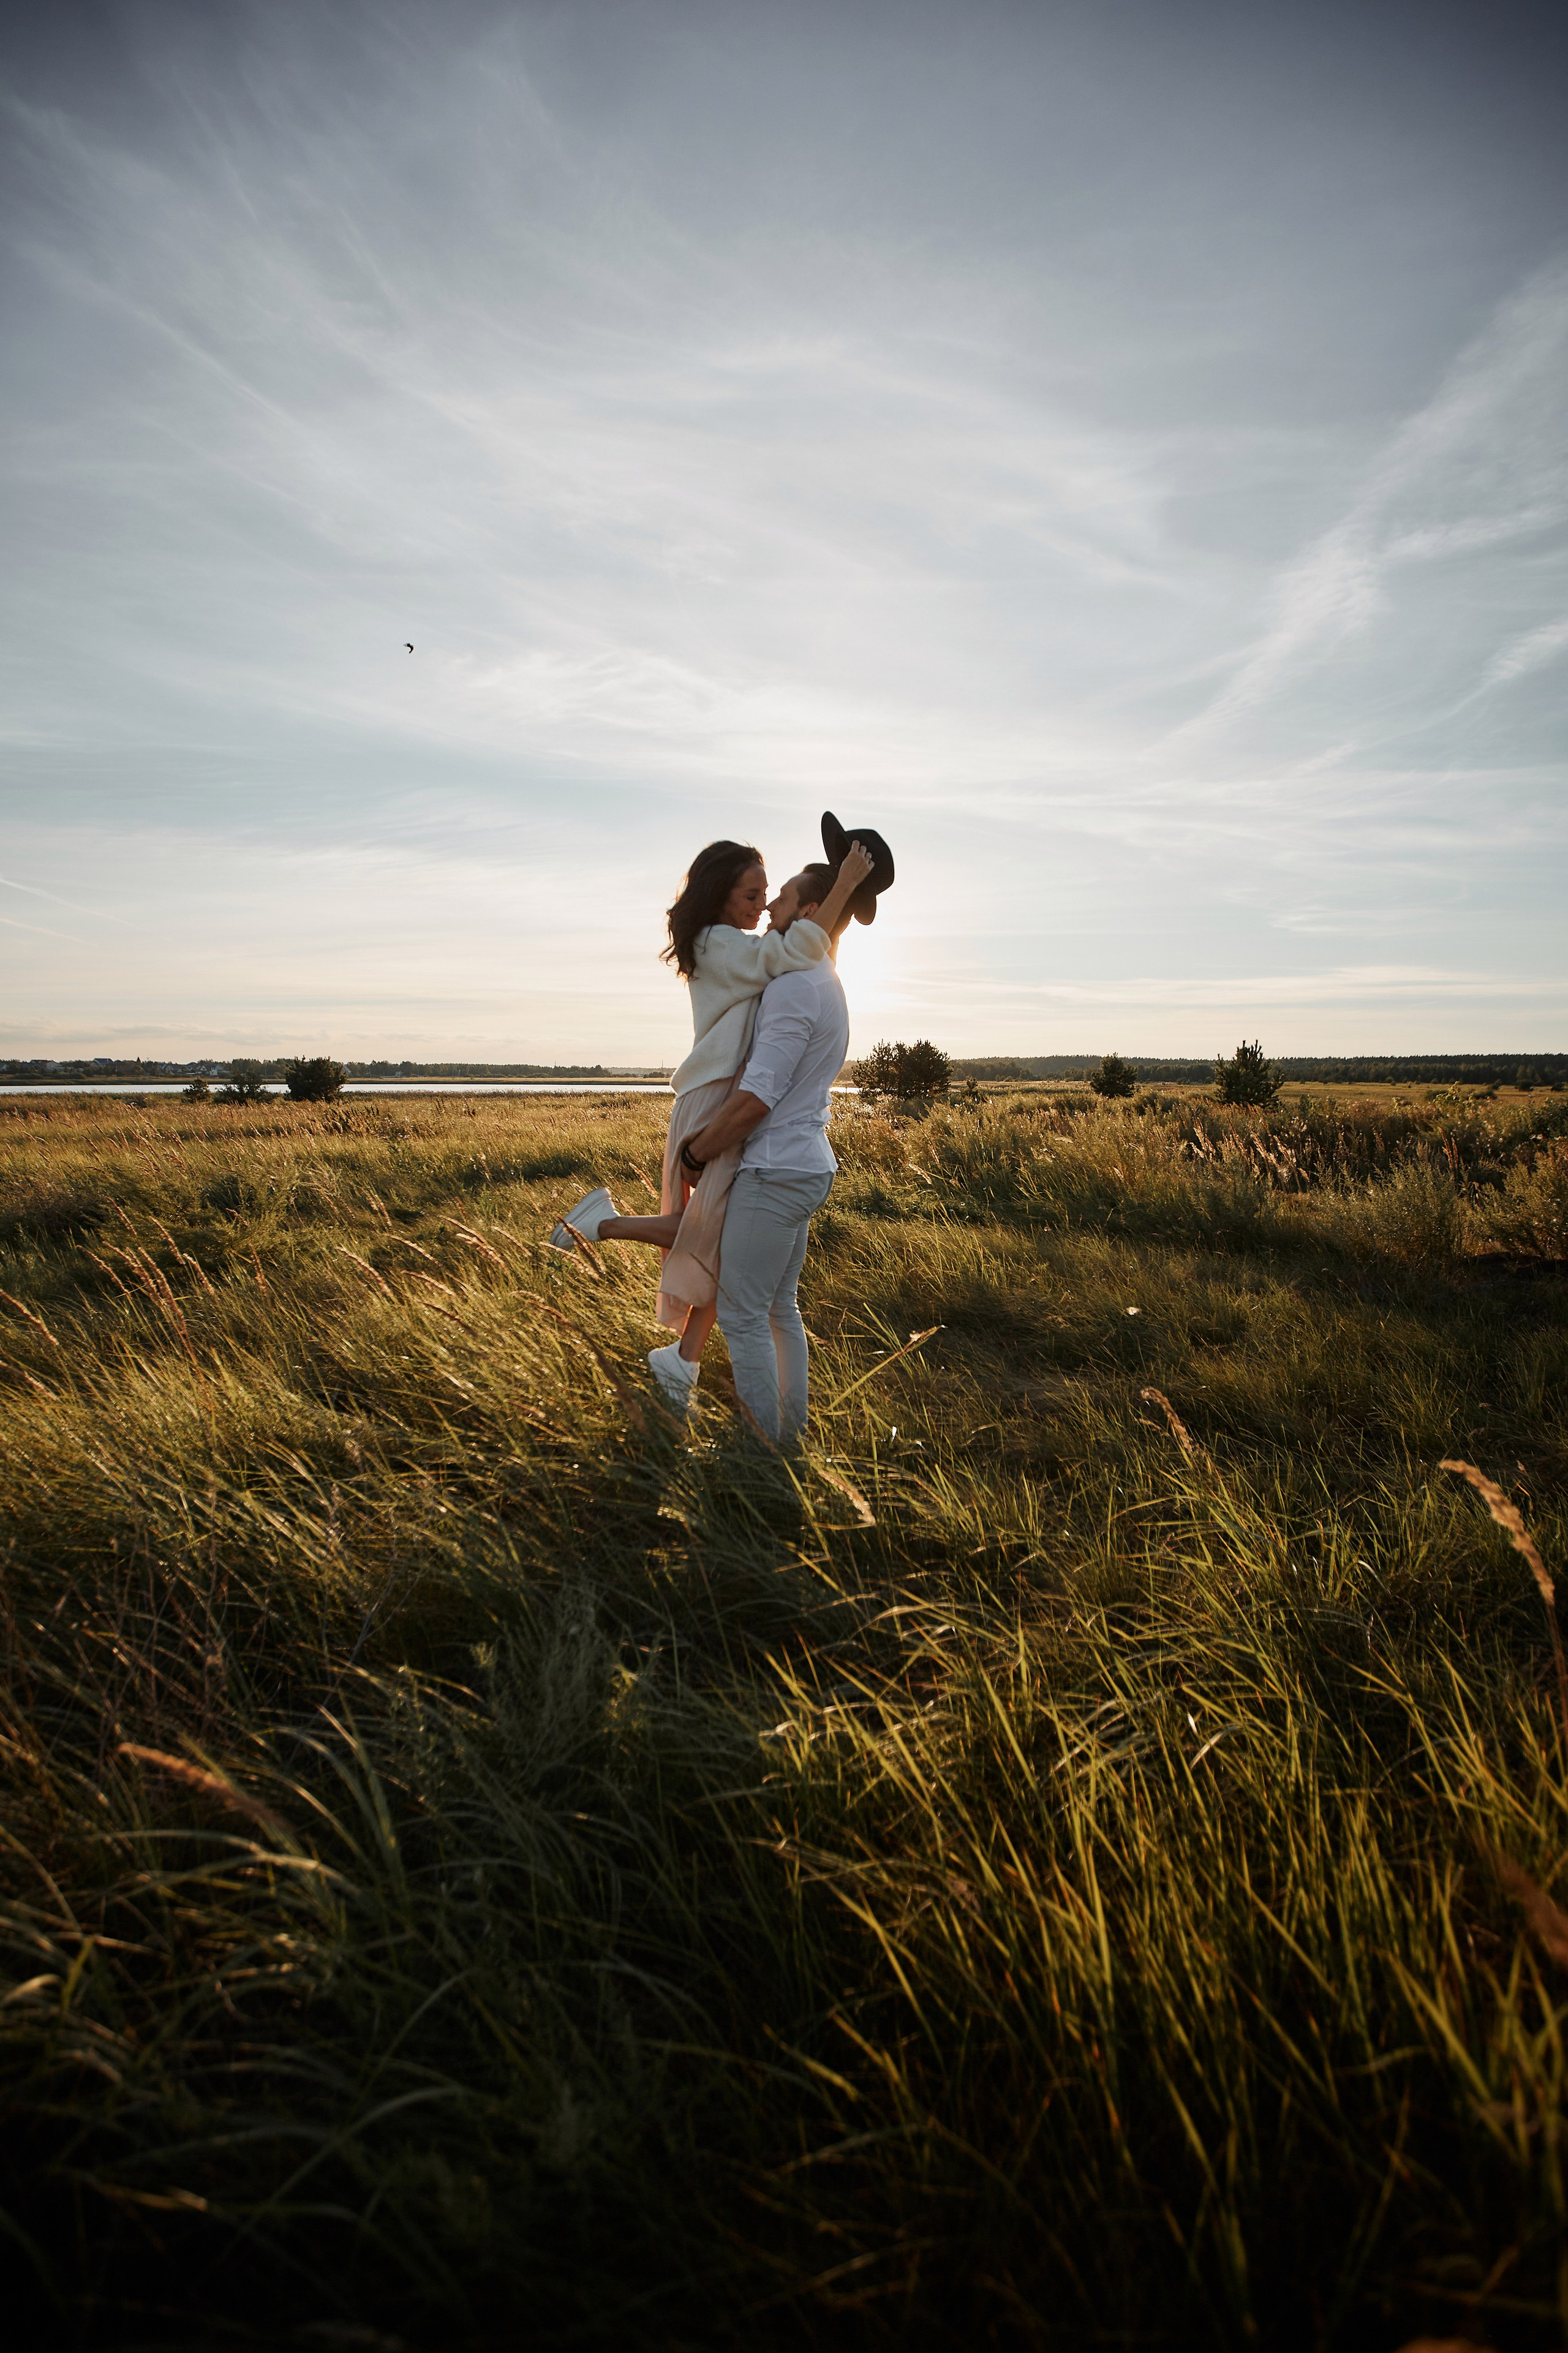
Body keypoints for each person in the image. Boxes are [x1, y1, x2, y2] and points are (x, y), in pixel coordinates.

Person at [550, 835, 873, 1402]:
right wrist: (844, 884)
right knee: (719, 1235)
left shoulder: (745, 947)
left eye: (768, 896)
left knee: (723, 1241)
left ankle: (682, 1362)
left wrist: (837, 907)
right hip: (714, 1101)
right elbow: (789, 952)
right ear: (721, 894)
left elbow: (805, 950)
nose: (760, 907)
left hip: (728, 1103)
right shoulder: (719, 943)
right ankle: (601, 1227)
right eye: (751, 895)